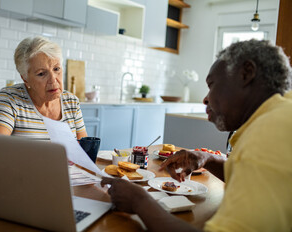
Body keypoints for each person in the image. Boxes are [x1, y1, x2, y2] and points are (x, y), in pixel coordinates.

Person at [101, 40, 292, 231]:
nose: (206, 98)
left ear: (246, 73)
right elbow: (251, 177)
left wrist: (139, 201)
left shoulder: (268, 132)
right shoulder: (282, 115)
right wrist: (208, 158)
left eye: (212, 84)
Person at [0, 36, 88, 140]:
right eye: (41, 74)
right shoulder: (11, 98)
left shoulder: (71, 101)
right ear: (25, 79)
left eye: (56, 69)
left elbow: (84, 150)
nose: (53, 79)